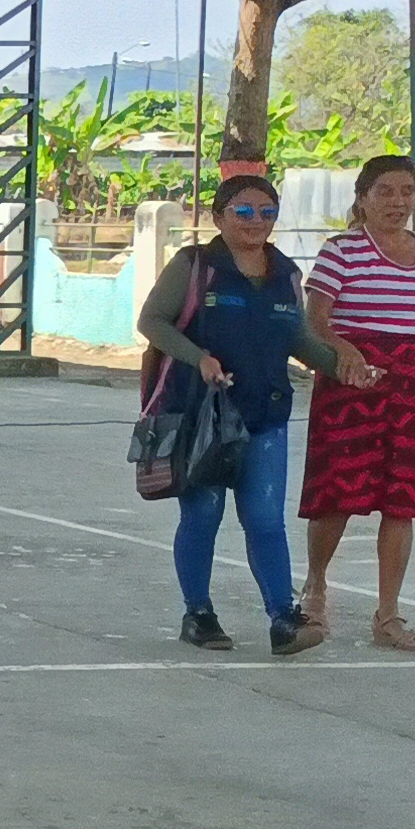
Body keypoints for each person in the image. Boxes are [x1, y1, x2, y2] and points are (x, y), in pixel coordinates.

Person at [133, 173, 378, 659]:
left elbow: (299, 339)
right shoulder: (195, 266)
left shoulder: (285, 273)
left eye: (267, 212)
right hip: (198, 415)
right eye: (243, 211)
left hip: (264, 415)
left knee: (265, 519)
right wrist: (199, 358)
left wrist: (345, 368)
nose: (256, 221)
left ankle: (283, 619)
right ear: (218, 217)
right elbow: (152, 321)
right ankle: (198, 613)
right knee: (203, 514)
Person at [301, 154, 415, 651]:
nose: (398, 202)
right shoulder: (341, 251)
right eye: (385, 191)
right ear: (363, 198)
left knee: (402, 503)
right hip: (352, 388)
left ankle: (388, 614)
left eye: (407, 192)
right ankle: (315, 587)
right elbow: (315, 320)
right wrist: (344, 351)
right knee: (338, 496)